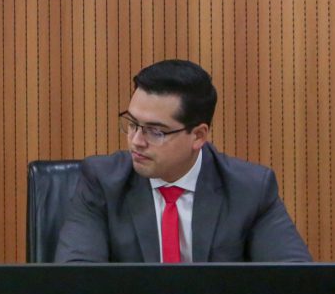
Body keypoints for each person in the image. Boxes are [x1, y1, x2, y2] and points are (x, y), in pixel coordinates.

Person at [55, 59, 311, 263]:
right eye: (132, 124)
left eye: (155, 131)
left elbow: (294, 281)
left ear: (198, 136)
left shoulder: (250, 189)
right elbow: (78, 280)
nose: (136, 141)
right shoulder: (102, 181)